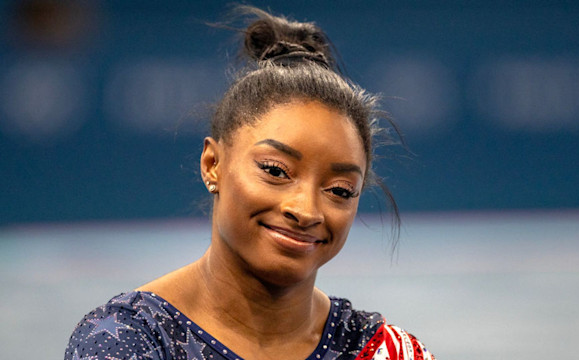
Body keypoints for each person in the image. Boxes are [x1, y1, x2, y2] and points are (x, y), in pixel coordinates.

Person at [64, 6, 435, 360]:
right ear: (213, 164)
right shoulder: (125, 339)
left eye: (339, 190)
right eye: (275, 170)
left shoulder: (386, 351)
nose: (306, 210)